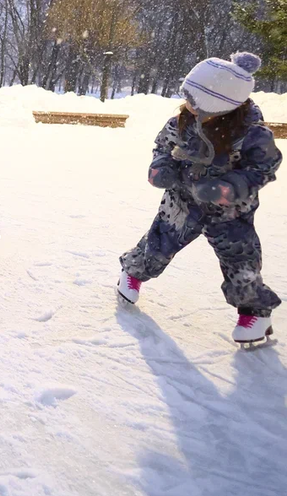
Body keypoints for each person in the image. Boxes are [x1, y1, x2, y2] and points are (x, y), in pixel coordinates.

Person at [117, 52, 282, 344]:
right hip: (183, 199)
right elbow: (162, 146)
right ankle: (133, 272)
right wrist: (161, 167)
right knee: (159, 242)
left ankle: (254, 313)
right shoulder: (182, 121)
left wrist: (229, 188)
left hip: (230, 210)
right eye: (188, 97)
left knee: (240, 259)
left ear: (223, 104)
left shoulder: (252, 134)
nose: (189, 104)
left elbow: (264, 167)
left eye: (197, 100)